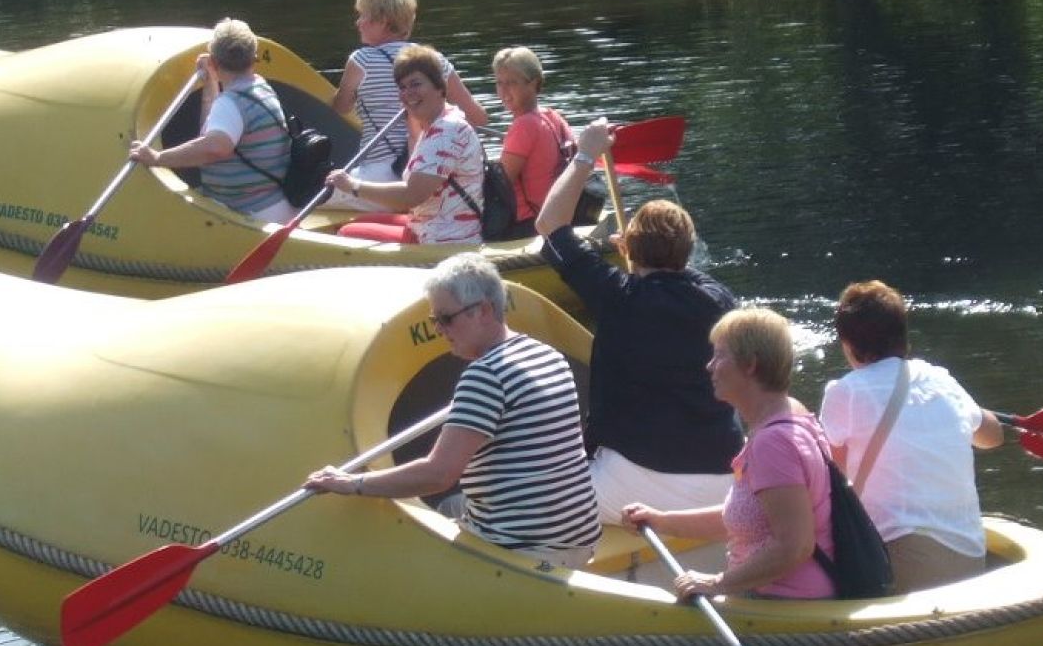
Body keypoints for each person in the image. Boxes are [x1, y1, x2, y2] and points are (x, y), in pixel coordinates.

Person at [302, 253, 601, 569]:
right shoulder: (547, 355)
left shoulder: (486, 375)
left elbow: (438, 474)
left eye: (446, 318)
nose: (440, 330)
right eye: (434, 321)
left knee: (407, 525)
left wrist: (352, 484)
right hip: (580, 535)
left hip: (525, 547)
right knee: (449, 506)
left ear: (483, 311)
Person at [535, 119, 744, 524]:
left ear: (629, 247)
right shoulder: (721, 300)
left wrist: (585, 154)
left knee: (528, 489)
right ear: (686, 249)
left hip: (632, 484)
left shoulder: (616, 294)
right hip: (722, 483)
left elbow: (549, 225)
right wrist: (634, 252)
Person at [622, 308, 835, 600]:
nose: (710, 366)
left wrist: (716, 583)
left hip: (781, 603)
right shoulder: (788, 415)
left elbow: (795, 545)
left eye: (720, 355)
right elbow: (744, 520)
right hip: (773, 596)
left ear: (750, 365)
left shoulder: (774, 443)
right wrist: (661, 520)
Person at [818, 280, 1005, 594]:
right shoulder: (941, 379)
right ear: (903, 337)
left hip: (907, 566)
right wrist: (963, 405)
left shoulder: (845, 392)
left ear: (848, 344)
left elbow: (830, 483)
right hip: (971, 558)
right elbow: (993, 436)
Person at [324, 0, 487, 210]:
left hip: (380, 175)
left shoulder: (361, 60)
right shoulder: (433, 61)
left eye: (363, 16)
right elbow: (478, 118)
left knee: (305, 199)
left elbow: (340, 107)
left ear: (383, 21)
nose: (358, 22)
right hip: (428, 172)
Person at [129, 18, 293, 224]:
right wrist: (211, 82)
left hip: (245, 212)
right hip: (274, 203)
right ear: (254, 59)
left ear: (215, 62)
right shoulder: (260, 87)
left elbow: (215, 147)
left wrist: (157, 158)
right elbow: (213, 128)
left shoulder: (231, 103)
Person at [324, 45, 486, 244]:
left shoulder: (446, 131)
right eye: (402, 87)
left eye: (415, 84)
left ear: (440, 87)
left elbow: (412, 195)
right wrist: (414, 124)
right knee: (360, 220)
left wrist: (353, 186)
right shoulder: (437, 124)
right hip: (431, 224)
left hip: (444, 238)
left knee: (346, 233)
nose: (408, 92)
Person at [492, 46, 575, 239]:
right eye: (499, 82)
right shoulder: (554, 117)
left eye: (511, 83)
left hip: (528, 224)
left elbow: (501, 186)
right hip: (558, 215)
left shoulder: (523, 125)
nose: (503, 90)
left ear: (534, 83)